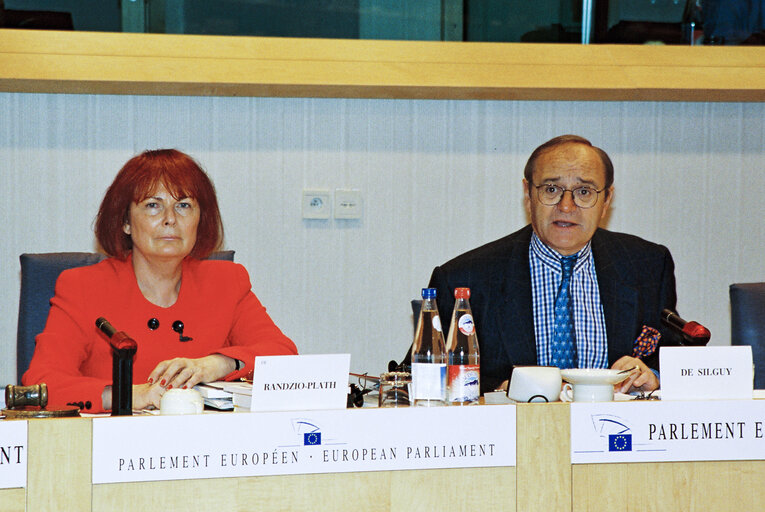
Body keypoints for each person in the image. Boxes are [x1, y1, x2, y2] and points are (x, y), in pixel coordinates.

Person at [22, 149, 297, 412]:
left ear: (200, 220)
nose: (170, 219)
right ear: (126, 222)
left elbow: (283, 356)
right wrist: (132, 395)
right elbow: (40, 387)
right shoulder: (83, 287)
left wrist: (217, 364)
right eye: (153, 205)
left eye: (184, 206)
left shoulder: (226, 282)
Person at [426, 135, 682, 394]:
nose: (566, 206)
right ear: (528, 194)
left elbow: (673, 356)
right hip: (515, 431)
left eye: (584, 192)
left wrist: (656, 375)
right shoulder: (465, 278)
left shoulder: (648, 264)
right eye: (551, 189)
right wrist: (499, 390)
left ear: (606, 201)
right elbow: (423, 376)